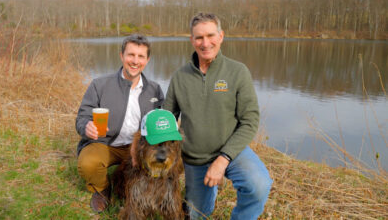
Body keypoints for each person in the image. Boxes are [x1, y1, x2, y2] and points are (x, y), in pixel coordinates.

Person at [163, 13, 272, 220]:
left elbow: (249, 121)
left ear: (221, 36)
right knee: (196, 215)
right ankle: (208, 192)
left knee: (259, 185)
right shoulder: (179, 77)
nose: (205, 43)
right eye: (199, 37)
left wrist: (223, 160)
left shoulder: (238, 72)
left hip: (232, 152)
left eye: (211, 35)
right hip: (195, 158)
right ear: (191, 40)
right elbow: (168, 118)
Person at [75, 34, 164, 213]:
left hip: (138, 148)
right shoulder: (99, 85)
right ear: (121, 56)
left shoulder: (155, 89)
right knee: (88, 164)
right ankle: (102, 189)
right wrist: (87, 127)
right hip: (105, 144)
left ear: (147, 60)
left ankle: (134, 187)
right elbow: (82, 117)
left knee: (155, 172)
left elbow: (161, 121)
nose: (135, 61)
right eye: (131, 55)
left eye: (141, 56)